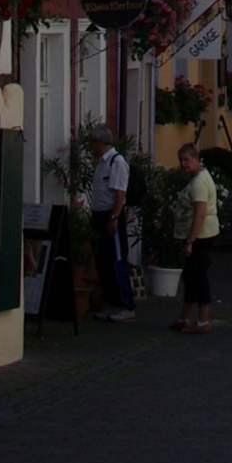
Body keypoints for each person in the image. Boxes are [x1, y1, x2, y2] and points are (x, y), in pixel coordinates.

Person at [86, 125, 136, 320]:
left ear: (100, 142)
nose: (91, 146)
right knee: (103, 262)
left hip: (110, 216)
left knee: (115, 261)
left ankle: (127, 305)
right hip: (98, 215)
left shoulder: (117, 162)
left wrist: (114, 217)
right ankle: (111, 302)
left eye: (92, 142)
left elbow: (120, 193)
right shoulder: (101, 162)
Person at [169, 143, 218, 334]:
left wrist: (191, 241)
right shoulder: (198, 177)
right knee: (191, 277)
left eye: (186, 160)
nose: (183, 164)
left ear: (196, 159)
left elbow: (200, 213)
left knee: (198, 277)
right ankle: (183, 317)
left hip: (200, 235)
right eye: (181, 160)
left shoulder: (198, 183)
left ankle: (203, 321)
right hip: (199, 233)